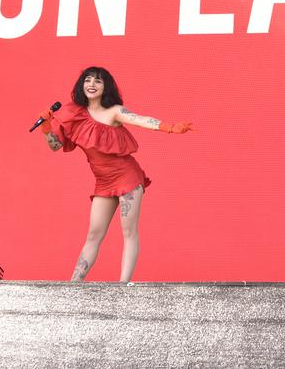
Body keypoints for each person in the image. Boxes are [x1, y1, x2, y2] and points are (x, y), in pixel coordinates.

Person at [39, 66, 192, 282]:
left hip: (127, 176)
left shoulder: (114, 111)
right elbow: (55, 145)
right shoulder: (74, 113)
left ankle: (123, 286)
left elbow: (140, 119)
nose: (92, 84)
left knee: (129, 232)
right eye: (88, 80)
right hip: (103, 181)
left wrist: (169, 127)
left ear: (106, 87)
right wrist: (46, 127)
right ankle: (73, 286)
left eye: (98, 81)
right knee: (94, 234)